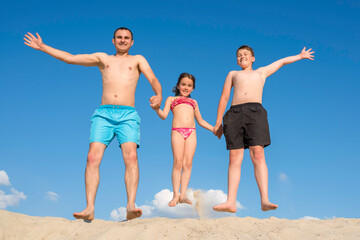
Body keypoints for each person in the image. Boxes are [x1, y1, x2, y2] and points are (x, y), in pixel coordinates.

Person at [24, 27, 162, 221]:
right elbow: (70, 58)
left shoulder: (138, 59)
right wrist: (44, 47)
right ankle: (89, 207)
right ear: (113, 41)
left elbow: (154, 79)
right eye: (119, 38)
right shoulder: (103, 58)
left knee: (131, 157)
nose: (122, 40)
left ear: (132, 42)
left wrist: (158, 94)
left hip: (128, 114)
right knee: (92, 158)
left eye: (126, 38)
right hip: (103, 114)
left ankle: (130, 205)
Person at [213, 46, 314, 213]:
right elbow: (224, 97)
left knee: (258, 154)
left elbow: (281, 62)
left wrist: (300, 56)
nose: (242, 57)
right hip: (234, 113)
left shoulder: (261, 72)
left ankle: (264, 199)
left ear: (253, 58)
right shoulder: (233, 74)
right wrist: (218, 122)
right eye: (238, 55)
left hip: (255, 112)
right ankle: (230, 201)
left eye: (245, 54)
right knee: (234, 157)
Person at [153, 73, 214, 207]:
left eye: (189, 85)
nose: (186, 87)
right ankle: (175, 195)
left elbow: (201, 121)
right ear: (178, 86)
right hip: (177, 132)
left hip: (192, 132)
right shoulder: (171, 99)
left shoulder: (194, 102)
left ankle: (183, 195)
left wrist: (214, 129)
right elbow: (163, 115)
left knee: (188, 163)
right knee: (178, 163)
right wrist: (157, 109)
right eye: (183, 84)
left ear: (193, 88)